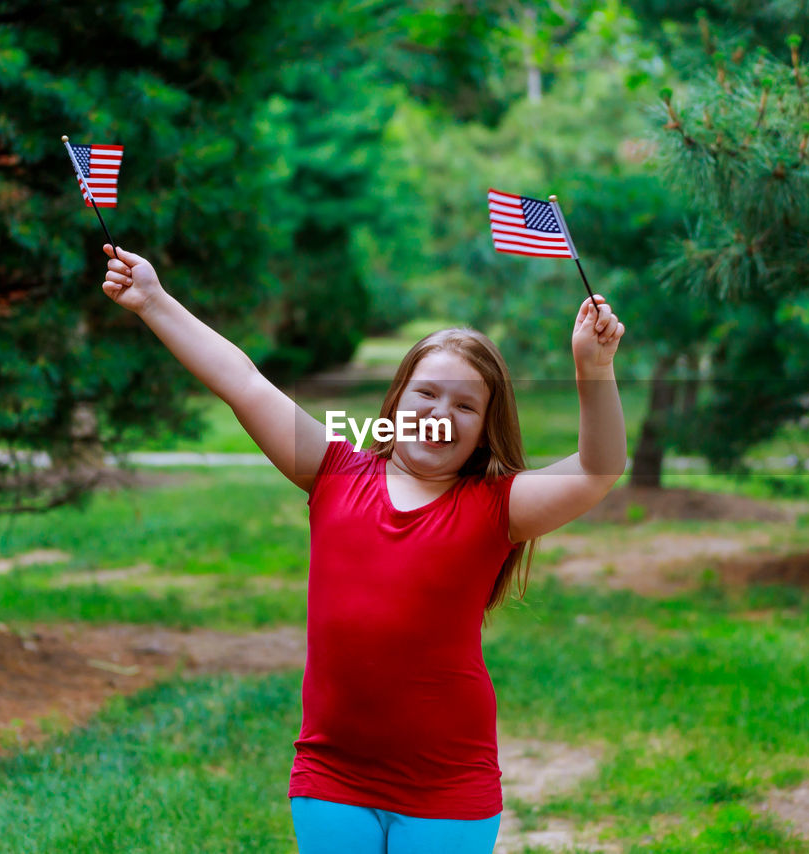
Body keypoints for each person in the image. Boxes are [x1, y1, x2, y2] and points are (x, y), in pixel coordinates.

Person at [100, 243, 627, 853]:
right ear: (397, 400)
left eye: (465, 405)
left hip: (448, 785)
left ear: (485, 429)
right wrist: (154, 302)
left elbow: (596, 470)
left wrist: (593, 369)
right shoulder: (333, 470)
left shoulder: (495, 506)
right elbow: (242, 381)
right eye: (426, 393)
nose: (439, 412)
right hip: (332, 775)